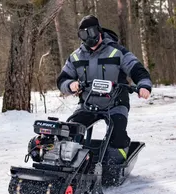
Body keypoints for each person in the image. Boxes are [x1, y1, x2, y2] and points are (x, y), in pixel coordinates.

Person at [56, 15, 152, 182]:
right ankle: (69, 165)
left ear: (99, 31)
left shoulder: (117, 52)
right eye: (83, 35)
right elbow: (62, 80)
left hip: (115, 103)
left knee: (117, 133)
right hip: (88, 104)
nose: (88, 38)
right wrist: (70, 85)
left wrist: (143, 85)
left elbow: (137, 69)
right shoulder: (76, 57)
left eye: (91, 32)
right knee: (70, 130)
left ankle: (113, 167)